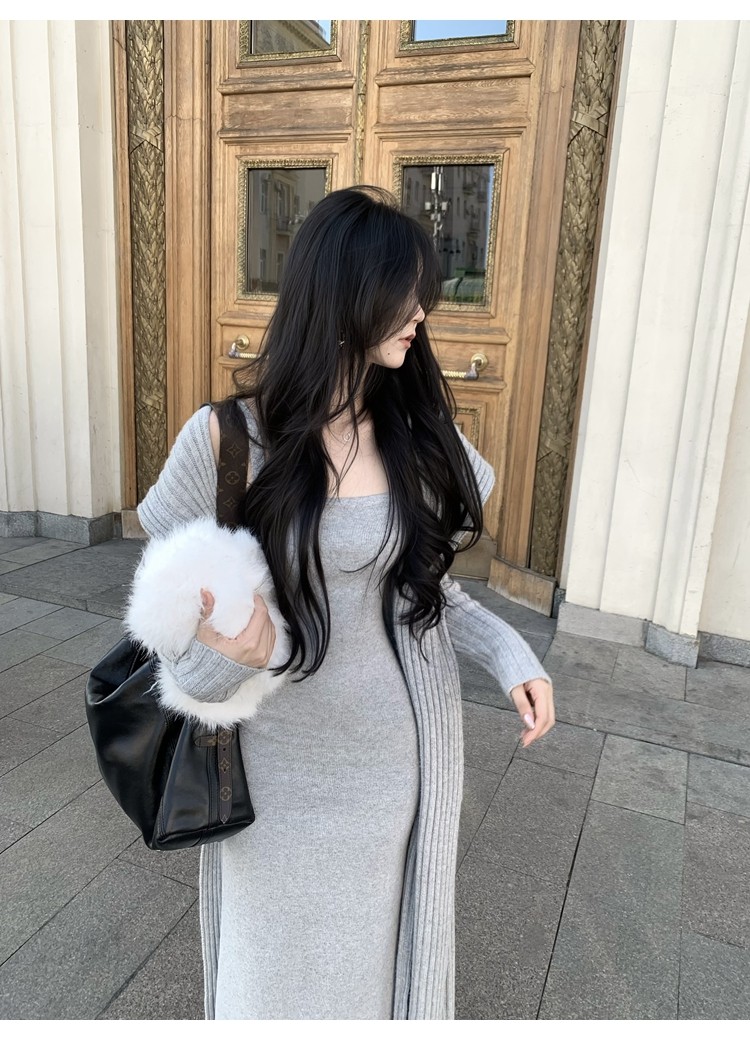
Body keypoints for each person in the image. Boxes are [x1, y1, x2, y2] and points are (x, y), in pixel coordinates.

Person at [136, 184, 554, 1020]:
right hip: (269, 774)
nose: (422, 314)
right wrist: (227, 660)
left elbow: (427, 592)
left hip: (389, 770)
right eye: (405, 293)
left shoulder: (416, 438)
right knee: (263, 989)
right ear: (344, 292)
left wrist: (513, 656)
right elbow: (168, 640)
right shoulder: (225, 441)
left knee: (367, 989)